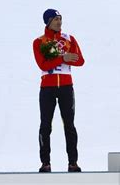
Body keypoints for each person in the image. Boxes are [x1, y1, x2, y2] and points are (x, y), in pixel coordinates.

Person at [33, 9, 85, 172]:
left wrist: (61, 58)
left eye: (60, 19)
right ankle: (45, 162)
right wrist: (63, 58)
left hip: (66, 87)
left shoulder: (69, 39)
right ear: (48, 21)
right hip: (47, 87)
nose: (59, 22)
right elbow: (43, 65)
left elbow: (80, 61)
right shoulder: (39, 42)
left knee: (69, 125)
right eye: (56, 19)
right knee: (45, 126)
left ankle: (73, 162)